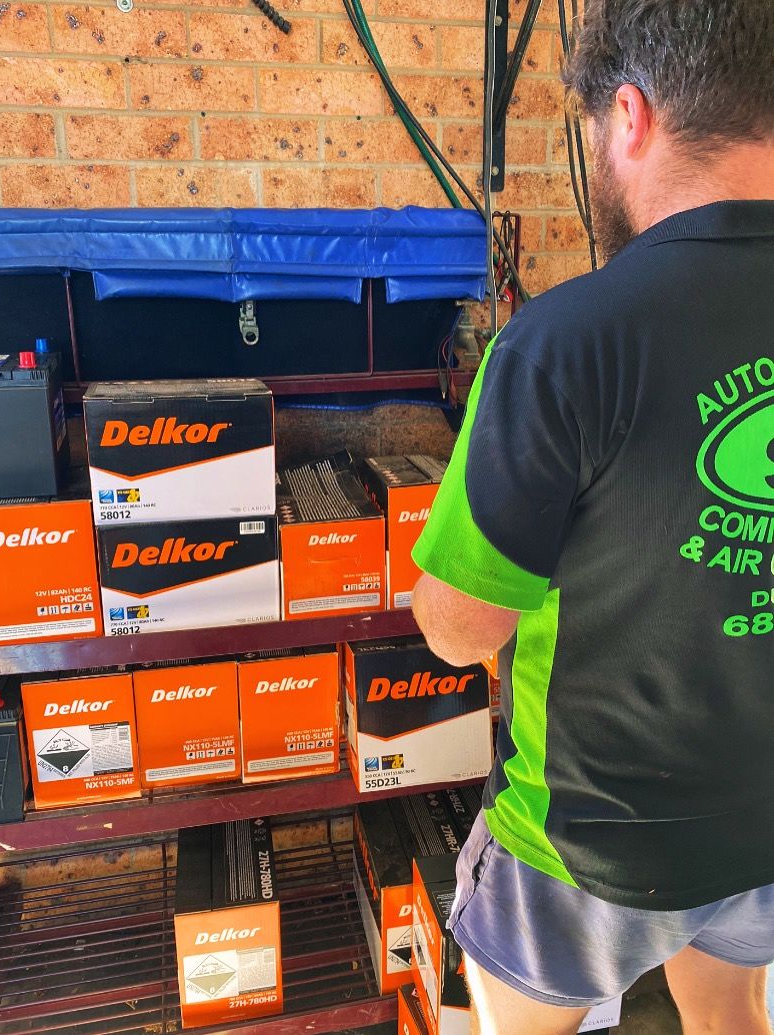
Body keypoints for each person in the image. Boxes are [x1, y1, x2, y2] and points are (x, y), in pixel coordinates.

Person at [411, 1, 774, 1032]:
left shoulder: (565, 344)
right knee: (736, 1018)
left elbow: (453, 629)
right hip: (762, 822)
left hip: (582, 844)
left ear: (632, 115)